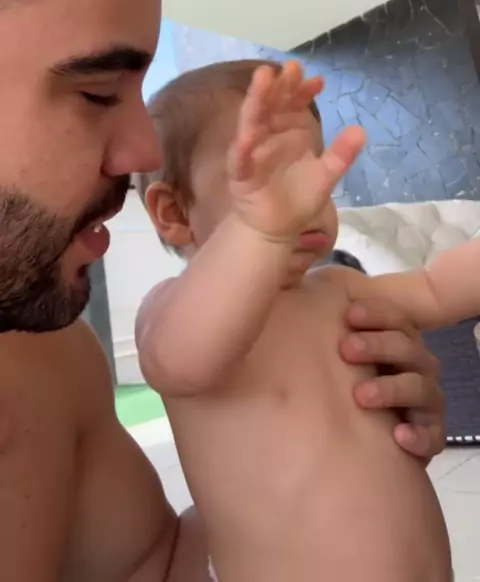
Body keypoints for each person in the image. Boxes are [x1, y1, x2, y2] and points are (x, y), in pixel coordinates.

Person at [0, 0, 444, 580]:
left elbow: (159, 565)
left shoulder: (47, 362)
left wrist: (338, 473)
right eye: (96, 91)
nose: (140, 150)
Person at [135, 59, 456, 582]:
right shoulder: (173, 312)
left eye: (314, 177)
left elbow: (436, 286)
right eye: (271, 179)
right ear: (174, 213)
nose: (305, 203)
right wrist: (260, 232)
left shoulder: (339, 289)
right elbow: (176, 362)